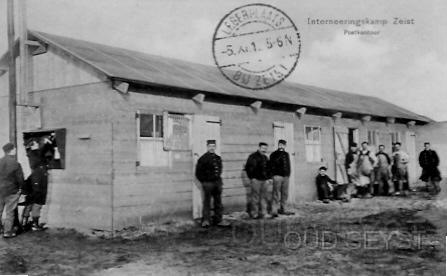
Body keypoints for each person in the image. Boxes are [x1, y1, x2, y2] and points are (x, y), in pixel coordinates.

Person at [195, 140, 226, 228]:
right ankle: (206, 220)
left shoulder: (218, 158)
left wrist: (219, 181)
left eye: (213, 146)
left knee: (218, 202)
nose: (212, 148)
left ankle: (218, 220)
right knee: (207, 202)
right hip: (208, 184)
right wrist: (205, 182)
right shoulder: (203, 159)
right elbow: (198, 173)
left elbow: (219, 170)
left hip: (217, 183)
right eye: (210, 146)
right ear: (207, 147)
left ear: (215, 147)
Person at [21, 139, 49, 231]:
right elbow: (41, 154)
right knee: (37, 204)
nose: (37, 144)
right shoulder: (34, 154)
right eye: (35, 143)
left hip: (33, 182)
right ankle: (35, 225)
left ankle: (24, 223)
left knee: (30, 203)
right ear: (32, 145)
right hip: (38, 183)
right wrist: (46, 142)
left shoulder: (31, 154)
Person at [0, 143, 25, 238]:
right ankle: (7, 231)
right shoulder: (16, 163)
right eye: (14, 149)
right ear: (11, 151)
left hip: (0, 190)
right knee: (10, 212)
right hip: (11, 191)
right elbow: (20, 179)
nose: (15, 150)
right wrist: (22, 189)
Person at [245, 142, 272, 219]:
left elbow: (269, 169)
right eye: (263, 148)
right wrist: (252, 178)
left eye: (265, 148)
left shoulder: (266, 158)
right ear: (259, 148)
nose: (264, 150)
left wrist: (269, 178)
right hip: (256, 180)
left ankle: (264, 213)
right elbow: (248, 168)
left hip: (265, 181)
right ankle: (254, 213)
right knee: (255, 197)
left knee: (264, 197)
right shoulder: (253, 157)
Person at [269, 140, 294, 217]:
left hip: (286, 177)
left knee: (285, 194)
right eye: (280, 144)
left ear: (285, 146)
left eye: (283, 145)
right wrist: (272, 176)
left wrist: (288, 174)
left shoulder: (286, 154)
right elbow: (271, 166)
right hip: (277, 176)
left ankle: (283, 209)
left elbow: (288, 164)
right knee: (276, 193)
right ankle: (274, 210)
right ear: (278, 145)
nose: (281, 146)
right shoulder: (273, 154)